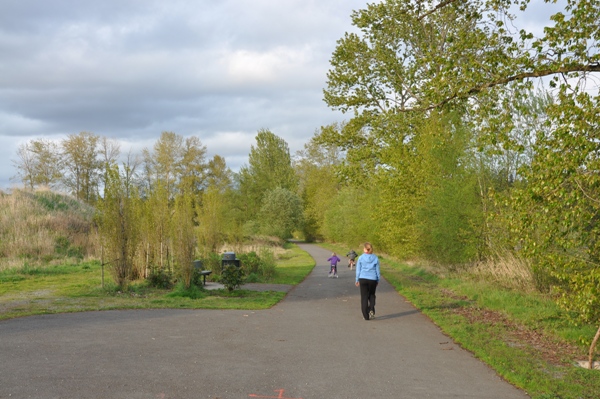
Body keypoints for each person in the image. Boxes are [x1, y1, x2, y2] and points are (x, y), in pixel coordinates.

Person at [355, 242, 380, 320]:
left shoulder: (361, 258)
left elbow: (358, 270)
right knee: (372, 295)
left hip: (363, 278)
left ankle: (366, 316)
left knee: (364, 297)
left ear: (365, 249)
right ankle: (371, 309)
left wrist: (357, 279)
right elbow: (378, 271)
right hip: (373, 279)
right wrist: (377, 279)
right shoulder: (375, 258)